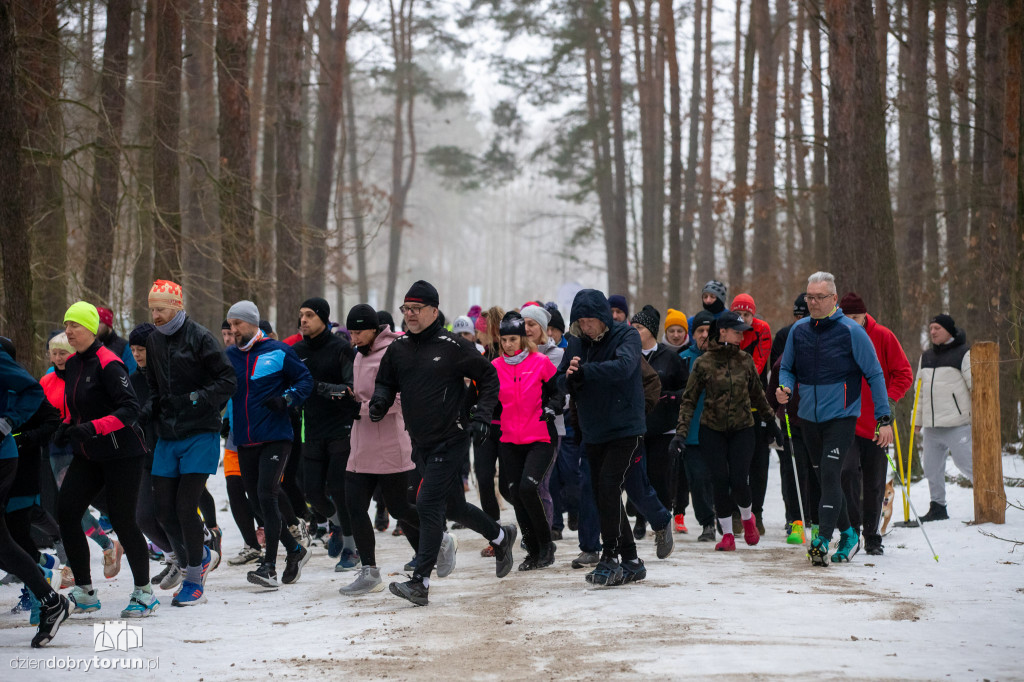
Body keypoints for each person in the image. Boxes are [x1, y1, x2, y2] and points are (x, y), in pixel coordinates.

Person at [371, 281, 516, 606]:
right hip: (419, 442)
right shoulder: (399, 348)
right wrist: (379, 401)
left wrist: (481, 415)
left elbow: (489, 377)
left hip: (451, 438)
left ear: (433, 311)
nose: (409, 315)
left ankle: (420, 582)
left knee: (427, 503)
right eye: (405, 309)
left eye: (416, 309)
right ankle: (500, 536)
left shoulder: (452, 346)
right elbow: (385, 381)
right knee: (453, 507)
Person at [777, 272, 894, 566]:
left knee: (830, 473)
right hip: (808, 419)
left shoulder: (851, 332)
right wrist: (786, 387)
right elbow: (787, 367)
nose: (813, 303)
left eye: (818, 298)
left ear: (833, 299)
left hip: (842, 417)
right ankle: (850, 534)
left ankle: (821, 540)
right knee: (825, 478)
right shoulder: (799, 331)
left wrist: (884, 417)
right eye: (809, 297)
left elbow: (875, 373)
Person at [56, 301, 157, 618]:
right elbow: (78, 407)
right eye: (66, 324)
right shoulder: (73, 364)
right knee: (67, 511)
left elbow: (129, 409)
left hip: (122, 453)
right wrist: (66, 427)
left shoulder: (109, 363)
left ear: (90, 327)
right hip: (90, 452)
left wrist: (92, 428)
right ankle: (84, 592)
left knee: (123, 520)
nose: (68, 331)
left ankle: (144, 592)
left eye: (74, 325)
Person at [339, 304, 446, 595]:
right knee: (354, 507)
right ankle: (369, 571)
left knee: (399, 508)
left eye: (358, 331)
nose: (353, 337)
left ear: (374, 329)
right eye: (351, 332)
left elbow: (401, 398)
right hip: (360, 445)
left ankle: (441, 538)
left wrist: (360, 408)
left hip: (389, 445)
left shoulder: (394, 351)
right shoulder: (359, 353)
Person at [145, 280, 235, 605]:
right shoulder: (153, 341)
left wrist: (196, 399)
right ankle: (195, 558)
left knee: (186, 506)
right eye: (152, 309)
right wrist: (153, 408)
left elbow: (228, 380)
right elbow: (152, 383)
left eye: (161, 309)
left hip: (201, 432)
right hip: (168, 435)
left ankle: (194, 578)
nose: (155, 315)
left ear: (177, 307)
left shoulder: (200, 337)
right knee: (162, 510)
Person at [556, 289, 648, 586]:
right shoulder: (576, 343)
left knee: (609, 487)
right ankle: (632, 560)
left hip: (626, 427)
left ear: (603, 317)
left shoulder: (626, 336)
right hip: (593, 430)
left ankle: (610, 557)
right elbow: (561, 380)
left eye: (590, 320)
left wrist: (586, 372)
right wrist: (569, 377)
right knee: (601, 492)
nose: (586, 326)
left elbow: (624, 367)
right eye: (580, 321)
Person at [671, 311, 782, 552]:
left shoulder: (745, 360)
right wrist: (680, 433)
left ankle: (747, 518)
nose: (741, 336)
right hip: (712, 430)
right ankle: (728, 535)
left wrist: (771, 423)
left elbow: (758, 395)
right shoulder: (703, 363)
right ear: (722, 332)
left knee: (739, 480)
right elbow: (688, 401)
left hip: (743, 428)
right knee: (719, 481)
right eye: (737, 331)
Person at [226, 301, 314, 589]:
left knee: (267, 495)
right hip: (245, 439)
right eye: (230, 324)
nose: (233, 329)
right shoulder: (229, 357)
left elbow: (305, 380)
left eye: (238, 323)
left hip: (277, 436)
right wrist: (223, 417)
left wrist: (286, 399)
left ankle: (269, 567)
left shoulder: (278, 351)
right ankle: (295, 550)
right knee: (258, 502)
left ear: (252, 322)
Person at [0, 341, 70, 647]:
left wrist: (8, 424)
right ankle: (50, 599)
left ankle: (49, 596)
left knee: (11, 537)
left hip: (7, 459)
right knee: (3, 544)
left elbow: (34, 395)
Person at [838, 293, 912, 555]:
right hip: (845, 421)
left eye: (856, 319)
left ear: (865, 316)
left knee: (874, 482)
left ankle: (872, 535)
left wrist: (888, 404)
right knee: (846, 472)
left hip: (876, 424)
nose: (851, 324)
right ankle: (851, 531)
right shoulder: (837, 335)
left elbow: (904, 373)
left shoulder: (882, 335)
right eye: (846, 319)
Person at [41, 333, 120, 572]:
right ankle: (107, 544)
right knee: (74, 509)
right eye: (53, 353)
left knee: (95, 501)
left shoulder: (82, 376)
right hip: (57, 450)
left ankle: (124, 532)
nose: (57, 358)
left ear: (73, 352)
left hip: (85, 446)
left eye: (62, 353)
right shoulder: (46, 380)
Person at [293, 297, 360, 570]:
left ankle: (351, 549)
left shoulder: (342, 349)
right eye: (301, 315)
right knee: (312, 492)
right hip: (312, 427)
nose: (304, 320)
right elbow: (293, 385)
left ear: (323, 318)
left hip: (341, 427)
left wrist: (317, 387)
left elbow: (349, 389)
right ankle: (336, 524)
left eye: (309, 315)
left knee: (337, 487)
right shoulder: (296, 351)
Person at [493, 312, 563, 570]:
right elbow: (486, 401)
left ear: (523, 339)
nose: (509, 344)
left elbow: (559, 393)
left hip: (540, 436)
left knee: (527, 488)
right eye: (504, 340)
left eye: (513, 339)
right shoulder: (496, 367)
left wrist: (552, 407)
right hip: (509, 439)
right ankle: (532, 550)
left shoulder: (540, 362)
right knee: (515, 493)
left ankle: (546, 546)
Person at [631, 305, 685, 552]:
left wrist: (672, 397)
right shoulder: (628, 353)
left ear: (651, 331)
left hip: (663, 428)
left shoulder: (669, 357)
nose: (634, 331)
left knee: (660, 478)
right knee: (638, 477)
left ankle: (662, 527)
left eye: (639, 327)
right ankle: (641, 518)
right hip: (636, 427)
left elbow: (687, 390)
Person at [914, 313, 973, 522]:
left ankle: (990, 498)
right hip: (931, 426)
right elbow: (919, 391)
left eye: (937, 328)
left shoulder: (964, 353)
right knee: (931, 468)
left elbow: (975, 386)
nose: (932, 332)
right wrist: (917, 420)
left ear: (948, 330)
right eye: (930, 329)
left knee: (968, 464)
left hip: (957, 424)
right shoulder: (926, 357)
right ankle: (938, 507)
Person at [127, 324, 175, 567]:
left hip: (170, 453)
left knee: (170, 514)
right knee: (143, 517)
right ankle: (174, 556)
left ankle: (195, 555)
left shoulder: (169, 376)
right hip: (144, 456)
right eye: (133, 349)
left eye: (141, 349)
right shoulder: (131, 381)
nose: (136, 354)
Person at [769, 292, 810, 538]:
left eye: (802, 315)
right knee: (790, 468)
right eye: (796, 315)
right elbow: (777, 370)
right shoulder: (785, 335)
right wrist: (777, 406)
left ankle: (812, 516)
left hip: (814, 416)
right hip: (788, 415)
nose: (799, 319)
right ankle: (793, 517)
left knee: (811, 469)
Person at [731, 293, 773, 535]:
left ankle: (757, 511)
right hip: (733, 406)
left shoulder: (762, 329)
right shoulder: (728, 328)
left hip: (757, 403)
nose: (742, 318)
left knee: (759, 462)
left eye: (746, 314)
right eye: (739, 313)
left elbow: (758, 364)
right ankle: (736, 512)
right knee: (736, 461)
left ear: (753, 314)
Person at [676, 311, 718, 542]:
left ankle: (724, 518)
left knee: (721, 479)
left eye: (708, 331)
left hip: (721, 431)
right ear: (692, 335)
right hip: (691, 433)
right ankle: (707, 523)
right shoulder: (682, 359)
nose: (704, 335)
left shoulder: (725, 359)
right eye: (700, 331)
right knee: (699, 479)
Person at [96, 306, 138, 374]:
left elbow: (132, 375)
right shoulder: (90, 346)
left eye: (98, 322)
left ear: (108, 324)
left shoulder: (124, 347)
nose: (95, 326)